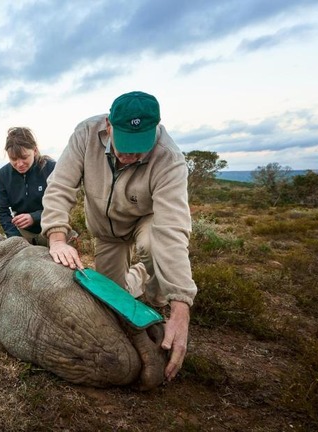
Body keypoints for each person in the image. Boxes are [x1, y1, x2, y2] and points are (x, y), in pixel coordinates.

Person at [40, 91, 197, 382]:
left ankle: (158, 294)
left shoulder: (169, 159)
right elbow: (60, 186)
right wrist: (57, 237)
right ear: (108, 125)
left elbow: (172, 229)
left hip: (145, 221)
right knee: (112, 299)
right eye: (124, 145)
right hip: (106, 229)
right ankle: (141, 278)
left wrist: (181, 304)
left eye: (139, 149)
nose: (129, 156)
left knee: (154, 246)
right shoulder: (85, 133)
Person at [0, 127, 55, 246]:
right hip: (23, 232)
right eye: (13, 159)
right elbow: (2, 211)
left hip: (52, 227)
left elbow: (61, 205)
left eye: (24, 157)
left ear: (35, 150)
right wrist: (15, 238)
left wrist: (35, 217)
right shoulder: (3, 174)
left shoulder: (51, 169)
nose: (19, 164)